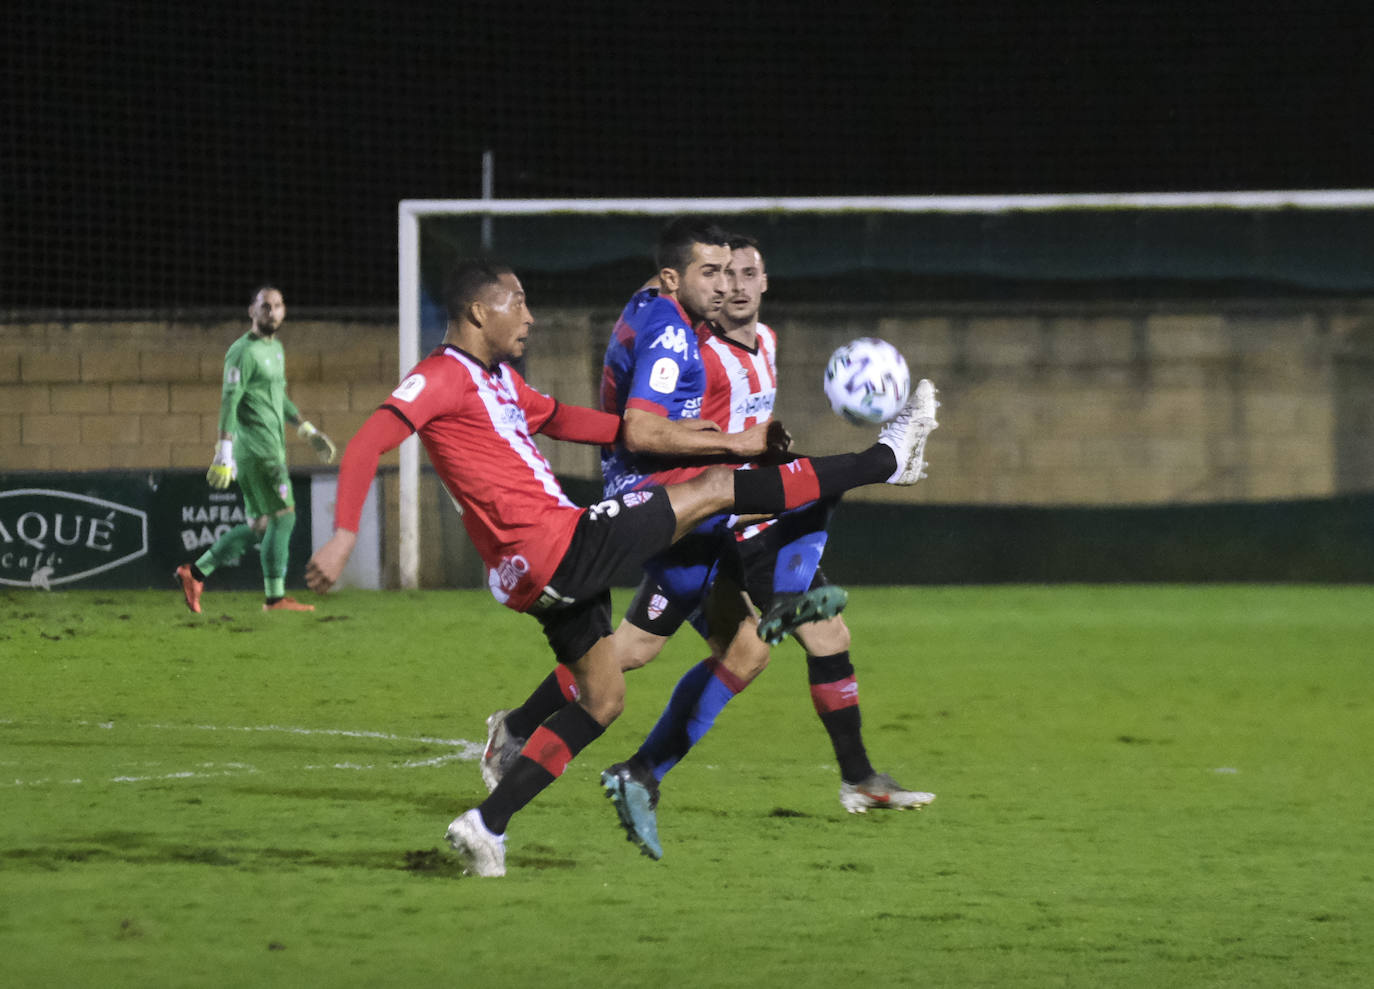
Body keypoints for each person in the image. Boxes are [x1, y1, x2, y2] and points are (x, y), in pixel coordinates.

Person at [305, 258, 937, 877]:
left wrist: (663, 430)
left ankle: (486, 824)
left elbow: (561, 419)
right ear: (478, 311)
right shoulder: (442, 376)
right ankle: (885, 459)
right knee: (719, 485)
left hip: (539, 573)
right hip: (559, 543)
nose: (529, 315)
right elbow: (368, 441)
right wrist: (342, 536)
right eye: (517, 301)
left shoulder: (497, 379)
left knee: (604, 700)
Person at [483, 234, 935, 861]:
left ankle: (852, 776)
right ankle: (867, 482)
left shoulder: (767, 344)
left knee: (718, 649)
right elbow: (672, 433)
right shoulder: (698, 347)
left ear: (766, 281)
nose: (736, 286)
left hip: (723, 512)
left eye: (747, 273)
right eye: (722, 274)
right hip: (701, 510)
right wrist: (737, 450)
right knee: (797, 517)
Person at [175, 286, 336, 614]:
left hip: (272, 448)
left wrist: (305, 429)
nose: (272, 312)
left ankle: (195, 572)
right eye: (265, 306)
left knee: (260, 525)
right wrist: (224, 451)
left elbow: (278, 396)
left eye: (277, 306)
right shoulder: (242, 353)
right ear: (252, 311)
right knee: (284, 517)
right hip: (258, 452)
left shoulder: (275, 349)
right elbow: (229, 400)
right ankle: (275, 599)